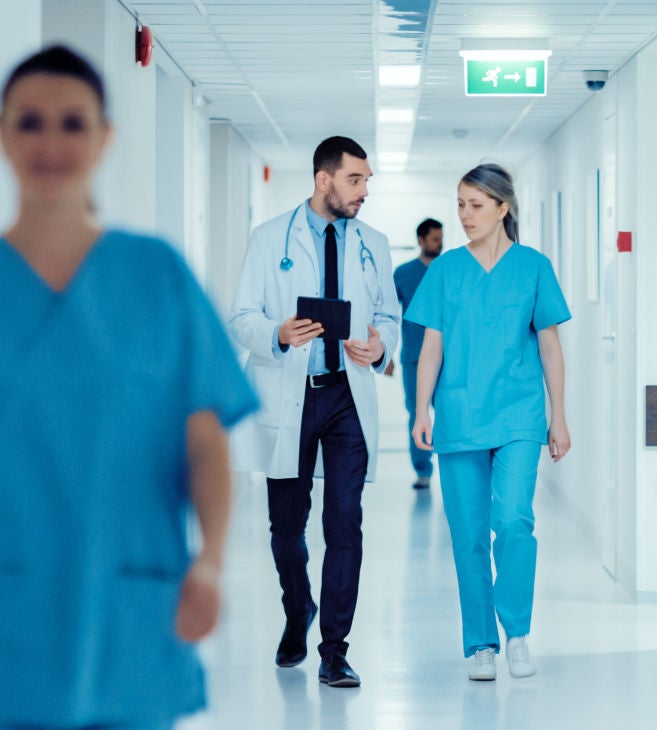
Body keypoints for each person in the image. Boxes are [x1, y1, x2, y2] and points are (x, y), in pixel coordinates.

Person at [0, 45, 258, 730]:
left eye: (72, 123)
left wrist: (211, 561)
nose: (51, 144)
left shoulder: (157, 277)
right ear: (1, 135)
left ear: (105, 137)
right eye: (30, 122)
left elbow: (204, 442)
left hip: (126, 604)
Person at [228, 136, 400, 688]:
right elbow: (241, 317)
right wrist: (277, 333)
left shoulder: (374, 244)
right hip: (290, 393)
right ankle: (298, 606)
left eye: (367, 180)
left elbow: (389, 316)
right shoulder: (269, 239)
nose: (364, 190)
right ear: (324, 179)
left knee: (345, 521)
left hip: (347, 395)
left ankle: (334, 650)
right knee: (286, 526)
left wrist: (381, 346)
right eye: (355, 179)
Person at [407, 162, 571, 681]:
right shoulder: (445, 270)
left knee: (515, 521)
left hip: (520, 414)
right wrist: (421, 409)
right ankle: (481, 643)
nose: (464, 215)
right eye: (460, 204)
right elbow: (431, 347)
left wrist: (559, 417)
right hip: (459, 416)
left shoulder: (534, 267)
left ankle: (516, 632)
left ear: (502, 209)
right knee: (469, 534)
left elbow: (550, 346)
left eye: (475, 205)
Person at [393, 217, 444, 489]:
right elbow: (388, 316)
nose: (439, 244)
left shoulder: (449, 270)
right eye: (434, 239)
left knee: (448, 412)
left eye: (441, 239)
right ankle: (423, 470)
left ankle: (452, 468)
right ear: (421, 240)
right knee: (417, 413)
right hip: (413, 356)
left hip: (447, 358)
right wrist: (385, 354)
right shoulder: (403, 274)